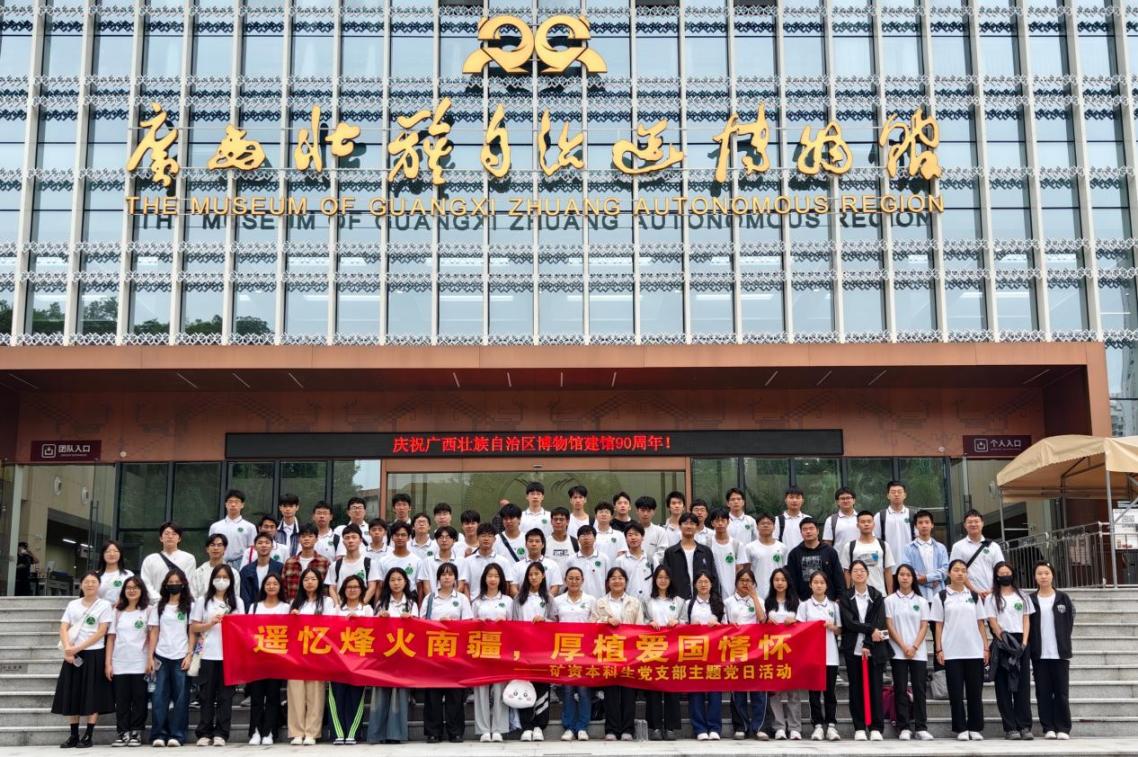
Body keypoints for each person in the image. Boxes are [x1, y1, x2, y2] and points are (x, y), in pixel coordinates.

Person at [930, 558, 991, 741]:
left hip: (974, 650)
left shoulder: (973, 596)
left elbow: (980, 623)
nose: (960, 573)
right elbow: (938, 625)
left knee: (975, 692)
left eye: (963, 570)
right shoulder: (941, 596)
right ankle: (960, 728)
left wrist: (985, 648)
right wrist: (939, 649)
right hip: (952, 651)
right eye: (956, 570)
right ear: (949, 573)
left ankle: (975, 727)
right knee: (955, 692)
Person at [53, 571, 114, 748]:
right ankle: (73, 735)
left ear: (99, 585)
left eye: (93, 581)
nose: (90, 584)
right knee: (72, 693)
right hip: (72, 655)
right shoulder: (73, 604)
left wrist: (77, 648)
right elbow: (64, 627)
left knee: (92, 694)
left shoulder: (104, 605)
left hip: (94, 653)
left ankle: (88, 735)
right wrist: (68, 649)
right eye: (86, 581)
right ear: (81, 585)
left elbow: (101, 632)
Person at [190, 563, 244, 746]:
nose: (221, 581)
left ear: (231, 581)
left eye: (225, 577)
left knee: (225, 697)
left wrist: (232, 622)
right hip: (207, 654)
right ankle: (204, 733)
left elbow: (242, 628)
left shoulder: (237, 602)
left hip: (229, 655)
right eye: (218, 577)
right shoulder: (203, 601)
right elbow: (194, 627)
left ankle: (221, 733)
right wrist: (210, 623)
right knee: (206, 696)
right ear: (212, 579)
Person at [590, 567, 644, 740]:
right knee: (611, 692)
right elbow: (592, 624)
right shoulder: (600, 602)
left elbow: (640, 627)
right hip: (608, 651)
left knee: (629, 692)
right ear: (608, 582)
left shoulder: (634, 602)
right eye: (613, 578)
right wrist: (606, 620)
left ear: (626, 582)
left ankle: (628, 729)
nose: (617, 581)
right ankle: (611, 730)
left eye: (620, 578)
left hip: (629, 652)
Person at [419, 563, 470, 743]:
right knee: (432, 695)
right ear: (438, 578)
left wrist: (454, 625)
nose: (447, 577)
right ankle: (433, 731)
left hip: (455, 653)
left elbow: (468, 624)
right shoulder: (429, 599)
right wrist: (438, 623)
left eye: (450, 574)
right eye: (443, 574)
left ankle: (455, 731)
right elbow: (421, 624)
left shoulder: (462, 599)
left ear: (455, 578)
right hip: (434, 653)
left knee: (455, 694)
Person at [839, 560, 889, 741]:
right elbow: (850, 623)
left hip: (874, 649)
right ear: (850, 574)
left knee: (875, 688)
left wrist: (868, 643)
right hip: (853, 649)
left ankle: (876, 727)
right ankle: (859, 727)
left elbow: (879, 621)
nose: (859, 573)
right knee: (856, 689)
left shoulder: (876, 595)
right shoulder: (846, 597)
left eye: (862, 570)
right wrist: (869, 630)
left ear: (867, 573)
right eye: (855, 571)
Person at [147, 568, 196, 748]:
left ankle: (178, 735)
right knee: (159, 697)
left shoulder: (190, 606)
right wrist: (150, 657)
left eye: (177, 582)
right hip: (161, 656)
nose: (174, 585)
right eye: (171, 582)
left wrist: (189, 654)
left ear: (183, 584)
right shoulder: (159, 606)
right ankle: (159, 734)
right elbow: (154, 632)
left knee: (181, 698)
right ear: (165, 585)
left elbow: (192, 632)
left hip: (181, 656)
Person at [367, 568, 417, 744]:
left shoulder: (411, 603)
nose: (396, 583)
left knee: (399, 694)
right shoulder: (381, 603)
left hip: (402, 655)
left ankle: (395, 734)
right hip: (383, 655)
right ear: (387, 583)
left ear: (405, 582)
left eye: (399, 579)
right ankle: (377, 734)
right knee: (380, 693)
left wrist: (411, 619)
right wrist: (380, 618)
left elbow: (418, 629)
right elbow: (371, 629)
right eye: (392, 580)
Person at [884, 564, 933, 741]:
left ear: (913, 578)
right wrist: (904, 646)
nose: (904, 577)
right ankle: (903, 726)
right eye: (902, 574)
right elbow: (889, 626)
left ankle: (921, 727)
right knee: (900, 688)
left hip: (918, 652)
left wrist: (914, 647)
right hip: (898, 652)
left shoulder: (921, 601)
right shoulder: (890, 600)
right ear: (897, 577)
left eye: (908, 575)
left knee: (919, 689)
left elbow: (924, 626)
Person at [986, 561, 1034, 740]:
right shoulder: (991, 598)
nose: (1005, 576)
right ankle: (1010, 727)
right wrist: (1004, 640)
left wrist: (1024, 643)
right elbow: (992, 622)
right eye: (1002, 573)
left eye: (1008, 573)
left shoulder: (1023, 596)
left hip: (1021, 642)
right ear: (997, 576)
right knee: (1003, 687)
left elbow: (1026, 619)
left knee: (1022, 686)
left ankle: (1024, 726)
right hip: (1002, 642)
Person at [287, 568, 335, 745]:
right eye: (306, 579)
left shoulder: (327, 602)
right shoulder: (295, 602)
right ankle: (297, 732)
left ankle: (312, 733)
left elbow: (331, 625)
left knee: (315, 693)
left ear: (319, 581)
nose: (309, 582)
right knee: (295, 692)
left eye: (313, 579)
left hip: (317, 652)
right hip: (297, 653)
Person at [1029, 560, 1074, 740]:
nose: (1043, 576)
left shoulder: (1063, 598)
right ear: (1035, 577)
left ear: (1052, 575)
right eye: (1040, 573)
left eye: (1046, 573)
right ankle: (1048, 727)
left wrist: (1063, 641)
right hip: (1039, 653)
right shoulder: (1031, 599)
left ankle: (1063, 727)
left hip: (1059, 653)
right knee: (1043, 692)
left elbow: (1069, 621)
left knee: (1061, 692)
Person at [105, 576, 150, 747]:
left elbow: (152, 637)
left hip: (140, 661)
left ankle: (136, 732)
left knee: (139, 699)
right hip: (119, 662)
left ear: (141, 590)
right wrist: (108, 663)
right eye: (128, 587)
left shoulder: (148, 610)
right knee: (122, 700)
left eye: (135, 587)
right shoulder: (117, 612)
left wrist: (150, 659)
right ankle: (122, 732)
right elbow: (111, 638)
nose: (132, 590)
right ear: (124, 591)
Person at [797, 570, 841, 742]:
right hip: (812, 655)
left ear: (826, 585)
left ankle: (831, 725)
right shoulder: (804, 606)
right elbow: (799, 630)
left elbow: (840, 629)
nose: (819, 585)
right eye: (815, 582)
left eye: (822, 582)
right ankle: (817, 725)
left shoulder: (833, 606)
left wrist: (833, 627)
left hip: (831, 655)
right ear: (810, 585)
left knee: (830, 692)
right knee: (814, 693)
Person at [513, 563, 556, 741]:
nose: (533, 577)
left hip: (542, 648)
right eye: (530, 574)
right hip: (523, 648)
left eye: (536, 574)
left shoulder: (548, 598)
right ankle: (526, 726)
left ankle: (539, 725)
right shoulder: (519, 598)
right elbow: (514, 622)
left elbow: (556, 621)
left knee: (541, 685)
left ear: (543, 576)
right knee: (524, 685)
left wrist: (544, 620)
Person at [328, 575, 373, 745]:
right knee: (337, 697)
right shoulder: (336, 610)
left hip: (359, 663)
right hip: (337, 662)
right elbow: (329, 631)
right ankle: (338, 733)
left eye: (356, 587)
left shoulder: (367, 609)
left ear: (362, 590)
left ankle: (353, 733)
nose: (352, 590)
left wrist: (359, 621)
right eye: (349, 587)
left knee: (356, 698)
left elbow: (373, 631)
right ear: (343, 590)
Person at [553, 566, 595, 741]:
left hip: (585, 651)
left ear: (583, 580)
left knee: (584, 690)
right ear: (565, 580)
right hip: (565, 651)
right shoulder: (557, 601)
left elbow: (595, 623)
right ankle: (569, 727)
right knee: (568, 689)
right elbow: (552, 622)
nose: (574, 581)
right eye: (570, 578)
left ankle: (583, 726)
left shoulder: (591, 600)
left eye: (577, 578)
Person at [471, 563, 512, 743]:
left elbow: (514, 625)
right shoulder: (477, 601)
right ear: (484, 579)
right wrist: (480, 623)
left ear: (501, 579)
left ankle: (498, 728)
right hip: (481, 648)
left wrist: (503, 623)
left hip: (501, 649)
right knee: (481, 689)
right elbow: (470, 625)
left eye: (496, 576)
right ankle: (483, 729)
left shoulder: (508, 601)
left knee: (500, 688)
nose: (493, 579)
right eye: (490, 576)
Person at [247, 573, 288, 745]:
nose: (271, 586)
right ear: (263, 586)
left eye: (275, 583)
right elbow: (247, 630)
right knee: (256, 697)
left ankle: (269, 732)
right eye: (268, 583)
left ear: (280, 587)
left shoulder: (286, 607)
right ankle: (255, 731)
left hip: (276, 658)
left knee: (272, 696)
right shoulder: (254, 607)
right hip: (257, 658)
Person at [725, 569, 767, 740]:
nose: (745, 583)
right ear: (736, 582)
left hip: (756, 649)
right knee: (738, 689)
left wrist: (754, 597)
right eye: (742, 580)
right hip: (736, 648)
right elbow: (724, 624)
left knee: (759, 689)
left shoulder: (759, 600)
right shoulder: (728, 602)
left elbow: (762, 619)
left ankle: (758, 727)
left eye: (749, 580)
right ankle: (741, 726)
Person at [764, 568, 804, 741]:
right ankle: (779, 726)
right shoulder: (767, 602)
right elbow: (760, 624)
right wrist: (766, 622)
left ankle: (795, 727)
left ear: (788, 582)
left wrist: (795, 621)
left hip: (792, 651)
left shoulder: (797, 602)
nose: (779, 583)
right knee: (775, 692)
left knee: (793, 691)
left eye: (783, 580)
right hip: (773, 651)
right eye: (776, 580)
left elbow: (804, 624)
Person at [643, 566, 681, 740]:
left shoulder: (679, 601)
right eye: (659, 577)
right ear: (655, 580)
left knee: (672, 688)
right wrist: (648, 622)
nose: (663, 580)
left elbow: (686, 621)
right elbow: (642, 619)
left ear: (671, 580)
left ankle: (671, 727)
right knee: (653, 689)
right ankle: (655, 727)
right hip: (653, 648)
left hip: (673, 649)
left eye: (666, 577)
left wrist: (678, 621)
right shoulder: (647, 600)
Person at [686, 570, 724, 740]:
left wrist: (718, 624)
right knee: (696, 690)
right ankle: (699, 728)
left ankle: (715, 727)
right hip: (694, 653)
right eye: (700, 582)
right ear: (695, 584)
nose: (703, 585)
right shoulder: (689, 603)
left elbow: (727, 626)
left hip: (714, 652)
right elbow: (681, 624)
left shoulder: (719, 603)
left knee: (715, 691)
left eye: (706, 582)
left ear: (711, 584)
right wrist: (689, 625)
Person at [950, 509, 1005, 601]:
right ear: (965, 525)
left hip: (992, 595)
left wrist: (993, 590)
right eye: (970, 522)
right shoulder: (958, 547)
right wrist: (974, 591)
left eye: (976, 521)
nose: (973, 524)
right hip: (967, 596)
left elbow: (1001, 570)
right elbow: (955, 572)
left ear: (982, 523)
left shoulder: (994, 546)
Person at [785, 518, 844, 602]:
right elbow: (792, 580)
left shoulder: (830, 551)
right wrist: (795, 599)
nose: (808, 531)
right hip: (803, 602)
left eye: (811, 528)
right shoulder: (794, 554)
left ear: (818, 531)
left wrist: (840, 597)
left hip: (829, 600)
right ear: (801, 533)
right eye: (804, 529)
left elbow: (838, 576)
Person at [661, 513, 717, 599]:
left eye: (692, 523)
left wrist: (714, 598)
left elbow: (713, 577)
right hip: (677, 599)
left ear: (697, 527)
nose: (689, 526)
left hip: (702, 599)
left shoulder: (706, 551)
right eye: (685, 523)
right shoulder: (670, 552)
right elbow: (666, 578)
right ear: (680, 526)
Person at [139, 522, 196, 603]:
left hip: (180, 604)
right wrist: (158, 599)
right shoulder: (150, 559)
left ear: (179, 539)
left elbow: (188, 582)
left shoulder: (188, 558)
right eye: (166, 533)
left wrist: (175, 600)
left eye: (174, 534)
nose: (170, 536)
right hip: (155, 605)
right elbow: (145, 583)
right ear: (161, 538)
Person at [840, 510, 895, 594]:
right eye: (862, 522)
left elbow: (888, 571)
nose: (866, 524)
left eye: (869, 521)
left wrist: (890, 594)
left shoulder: (883, 545)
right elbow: (847, 572)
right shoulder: (849, 546)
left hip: (880, 593)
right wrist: (847, 594)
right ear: (857, 525)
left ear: (874, 524)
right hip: (857, 594)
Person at [325, 524, 377, 605]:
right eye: (347, 538)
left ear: (360, 540)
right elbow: (332, 588)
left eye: (354, 537)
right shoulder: (335, 566)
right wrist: (338, 606)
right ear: (343, 542)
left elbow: (372, 588)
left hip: (362, 609)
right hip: (341, 609)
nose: (350, 541)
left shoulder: (370, 563)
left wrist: (359, 606)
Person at [209, 489, 256, 571]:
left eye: (236, 502)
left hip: (241, 564)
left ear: (242, 505)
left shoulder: (250, 527)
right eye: (230, 502)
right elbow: (211, 547)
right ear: (225, 504)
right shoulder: (215, 526)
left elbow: (253, 550)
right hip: (220, 563)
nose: (233, 504)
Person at [281, 524, 331, 602]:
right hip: (293, 604)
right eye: (303, 536)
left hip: (316, 605)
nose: (306, 539)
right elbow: (283, 586)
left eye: (310, 536)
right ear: (299, 539)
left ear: (316, 539)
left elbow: (328, 588)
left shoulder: (324, 562)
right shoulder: (289, 562)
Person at [509, 529, 563, 597]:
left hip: (546, 602)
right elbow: (513, 587)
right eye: (530, 541)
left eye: (537, 541)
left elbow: (555, 587)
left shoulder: (552, 565)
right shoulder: (516, 566)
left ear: (543, 545)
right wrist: (523, 600)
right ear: (526, 544)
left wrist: (544, 600)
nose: (534, 544)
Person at [459, 523, 509, 596]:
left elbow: (506, 585)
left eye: (489, 536)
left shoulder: (503, 561)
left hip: (497, 601)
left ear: (494, 539)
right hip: (474, 601)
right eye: (483, 536)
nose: (486, 539)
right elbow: (465, 584)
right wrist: (468, 601)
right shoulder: (467, 561)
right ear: (477, 537)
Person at [745, 513, 787, 601]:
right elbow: (746, 570)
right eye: (762, 523)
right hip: (756, 591)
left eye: (769, 523)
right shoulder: (749, 547)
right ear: (757, 527)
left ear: (774, 527)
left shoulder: (782, 547)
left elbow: (784, 569)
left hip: (776, 590)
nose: (765, 525)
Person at [239, 532, 284, 608]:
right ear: (254, 547)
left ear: (272, 546)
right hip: (252, 611)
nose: (263, 545)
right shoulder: (246, 571)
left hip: (275, 610)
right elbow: (244, 596)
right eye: (260, 543)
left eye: (267, 543)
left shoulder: (280, 568)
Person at [708, 508, 745, 598]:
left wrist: (738, 590)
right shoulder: (707, 544)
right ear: (712, 523)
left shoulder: (737, 544)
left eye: (723, 520)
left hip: (733, 592)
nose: (720, 523)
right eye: (717, 521)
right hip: (714, 591)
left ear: (728, 522)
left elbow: (740, 569)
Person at [419, 525, 464, 597]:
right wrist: (433, 600)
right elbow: (426, 587)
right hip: (433, 600)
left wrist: (450, 600)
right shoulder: (427, 561)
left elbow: (460, 586)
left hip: (454, 601)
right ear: (436, 541)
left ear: (454, 541)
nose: (444, 540)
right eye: (441, 537)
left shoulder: (461, 561)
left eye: (448, 537)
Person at [377, 521, 421, 593]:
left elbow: (419, 587)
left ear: (409, 538)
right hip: (389, 597)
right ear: (392, 537)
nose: (400, 538)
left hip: (410, 597)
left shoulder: (417, 561)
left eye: (403, 535)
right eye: (397, 535)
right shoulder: (383, 561)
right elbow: (380, 586)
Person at [613, 522, 653, 600]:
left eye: (636, 534)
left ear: (642, 537)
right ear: (625, 538)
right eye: (630, 535)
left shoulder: (651, 560)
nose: (633, 538)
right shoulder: (620, 561)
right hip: (627, 602)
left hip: (649, 602)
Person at [567, 525, 609, 599]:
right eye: (583, 535)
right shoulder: (571, 560)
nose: (586, 538)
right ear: (578, 539)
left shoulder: (604, 558)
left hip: (599, 600)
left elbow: (608, 581)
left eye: (589, 534)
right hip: (577, 601)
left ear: (595, 538)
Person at [876, 481, 916, 556]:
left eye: (899, 492)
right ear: (888, 495)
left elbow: (918, 538)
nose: (896, 494)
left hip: (909, 560)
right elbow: (876, 540)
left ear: (905, 495)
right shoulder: (880, 516)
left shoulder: (913, 515)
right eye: (893, 492)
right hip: (888, 560)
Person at [191, 533, 228, 601]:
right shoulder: (198, 572)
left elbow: (235, 597)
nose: (216, 548)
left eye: (219, 545)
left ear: (225, 549)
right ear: (207, 549)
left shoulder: (233, 573)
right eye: (212, 545)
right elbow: (193, 597)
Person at [96, 540, 133, 605]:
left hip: (121, 609)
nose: (112, 554)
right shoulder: (95, 575)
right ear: (103, 554)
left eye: (115, 551)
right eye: (108, 551)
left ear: (120, 554)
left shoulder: (128, 575)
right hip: (99, 610)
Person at [774, 486, 808, 550]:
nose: (794, 500)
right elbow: (774, 542)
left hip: (804, 555)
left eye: (798, 498)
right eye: (791, 497)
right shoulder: (777, 520)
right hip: (784, 556)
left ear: (802, 501)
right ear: (785, 500)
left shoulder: (808, 519)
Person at [635, 496, 669, 561]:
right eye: (642, 510)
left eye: (648, 511)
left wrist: (648, 563)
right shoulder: (630, 531)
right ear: (637, 511)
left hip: (654, 566)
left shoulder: (660, 531)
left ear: (654, 512)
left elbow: (663, 552)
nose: (645, 514)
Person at [547, 507, 578, 574]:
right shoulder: (544, 543)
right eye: (555, 519)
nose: (558, 522)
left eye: (561, 519)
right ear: (551, 521)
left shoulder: (575, 543)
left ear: (567, 521)